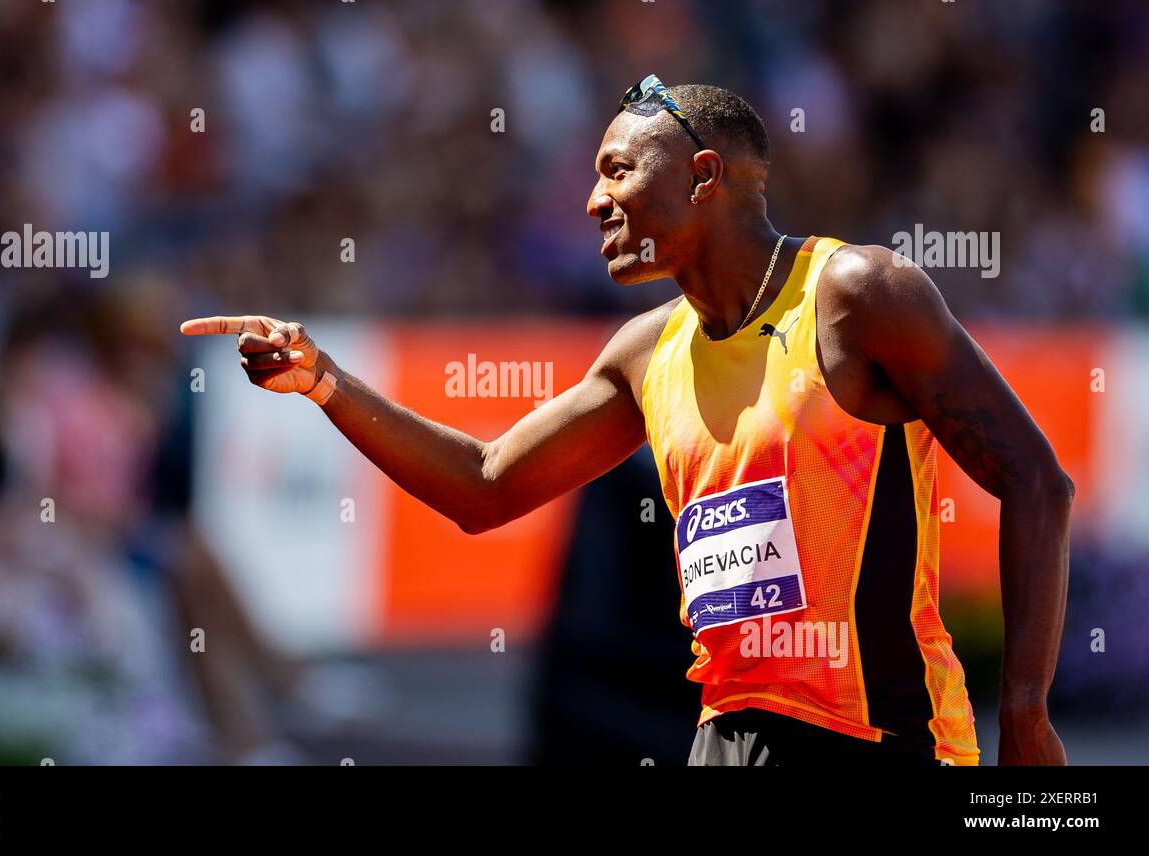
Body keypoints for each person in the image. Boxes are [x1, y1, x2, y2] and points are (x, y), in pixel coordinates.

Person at [181, 76, 1072, 766]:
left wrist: (1026, 710)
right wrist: (326, 382)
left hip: (884, 743)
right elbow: (485, 487)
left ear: (704, 175)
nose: (593, 202)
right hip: (724, 740)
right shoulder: (648, 354)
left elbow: (1036, 481)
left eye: (617, 171)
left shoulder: (855, 296)